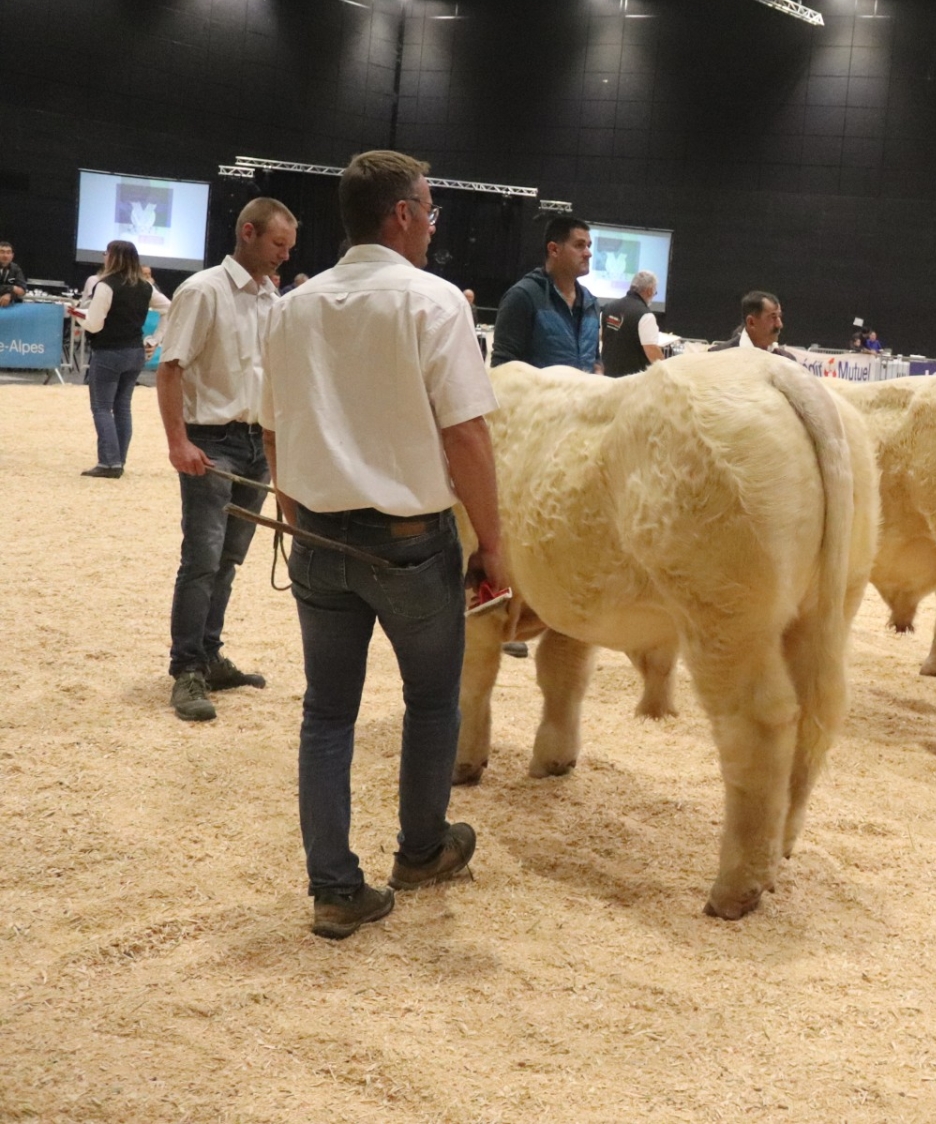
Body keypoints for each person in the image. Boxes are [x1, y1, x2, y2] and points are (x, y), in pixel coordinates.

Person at [261, 150, 508, 941]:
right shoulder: (432, 302)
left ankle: (334, 889)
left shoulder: (294, 306)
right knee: (431, 699)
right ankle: (422, 849)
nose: (433, 226)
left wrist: (296, 513)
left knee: (326, 714)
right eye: (429, 210)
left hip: (319, 535)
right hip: (407, 540)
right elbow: (467, 436)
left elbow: (273, 428)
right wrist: (494, 544)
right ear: (400, 213)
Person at [157, 197, 297, 721]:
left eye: (289, 247)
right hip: (211, 443)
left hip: (256, 441)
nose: (284, 256)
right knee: (202, 559)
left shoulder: (270, 297)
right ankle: (186, 668)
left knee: (230, 559)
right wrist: (177, 441)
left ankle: (210, 654)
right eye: (278, 245)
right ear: (248, 232)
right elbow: (170, 370)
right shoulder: (202, 290)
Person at [76, 241, 154, 480]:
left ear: (113, 257)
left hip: (109, 351)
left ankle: (109, 462)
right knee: (122, 407)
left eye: (106, 253)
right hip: (134, 352)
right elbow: (170, 307)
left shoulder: (106, 285)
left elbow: (95, 324)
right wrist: (156, 338)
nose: (104, 257)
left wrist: (78, 317)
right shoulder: (145, 286)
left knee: (101, 407)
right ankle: (119, 459)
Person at [491, 216, 599, 371]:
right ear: (554, 249)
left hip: (584, 395)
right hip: (536, 395)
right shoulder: (523, 296)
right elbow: (503, 369)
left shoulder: (591, 302)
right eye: (579, 245)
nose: (588, 253)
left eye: (588, 246)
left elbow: (595, 359)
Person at [599, 271, 662, 378]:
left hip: (607, 377)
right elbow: (651, 350)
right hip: (632, 382)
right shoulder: (646, 316)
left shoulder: (608, 307)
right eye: (655, 292)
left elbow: (601, 336)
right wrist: (666, 370)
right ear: (649, 291)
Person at [710, 289, 799, 359]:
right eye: (773, 317)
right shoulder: (717, 356)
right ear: (751, 322)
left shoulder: (788, 361)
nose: (779, 325)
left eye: (779, 316)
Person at [0, 240, 24, 306]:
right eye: (2, 252)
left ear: (12, 255)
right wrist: (12, 288)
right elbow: (16, 289)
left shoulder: (16, 268)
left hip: (10, 307)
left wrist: (9, 294)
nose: (5, 255)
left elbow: (22, 290)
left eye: (8, 252)